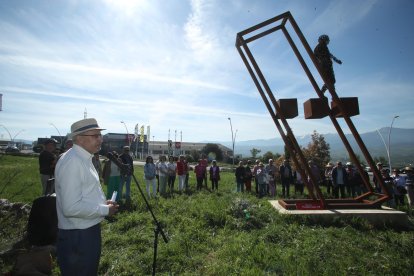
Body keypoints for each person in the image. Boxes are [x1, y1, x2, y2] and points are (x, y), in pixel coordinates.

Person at [55, 118, 118, 276]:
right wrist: (104, 210)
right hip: (78, 235)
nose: (100, 139)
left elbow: (84, 194)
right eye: (95, 135)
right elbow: (71, 208)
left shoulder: (83, 157)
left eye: (100, 135)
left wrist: (103, 203)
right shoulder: (73, 162)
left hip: (83, 230)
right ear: (79, 138)